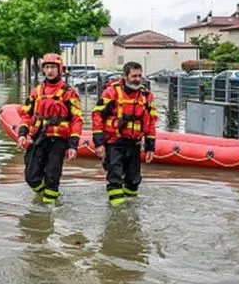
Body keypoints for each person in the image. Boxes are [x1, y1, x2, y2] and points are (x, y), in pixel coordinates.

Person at [17, 53, 83, 203]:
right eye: (47, 67)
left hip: (58, 140)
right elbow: (26, 114)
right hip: (39, 136)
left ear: (60, 69)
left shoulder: (69, 93)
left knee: (52, 177)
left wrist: (73, 145)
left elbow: (77, 119)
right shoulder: (37, 91)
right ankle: (43, 195)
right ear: (43, 70)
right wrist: (22, 133)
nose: (50, 70)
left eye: (53, 67)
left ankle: (48, 212)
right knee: (31, 177)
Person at [92, 61, 157, 206]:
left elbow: (151, 122)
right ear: (125, 76)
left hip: (134, 143)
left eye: (140, 76)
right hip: (114, 142)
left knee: (133, 180)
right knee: (115, 177)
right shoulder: (112, 92)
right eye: (134, 76)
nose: (138, 79)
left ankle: (130, 210)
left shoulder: (146, 96)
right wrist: (98, 143)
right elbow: (97, 116)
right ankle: (116, 214)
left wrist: (150, 147)